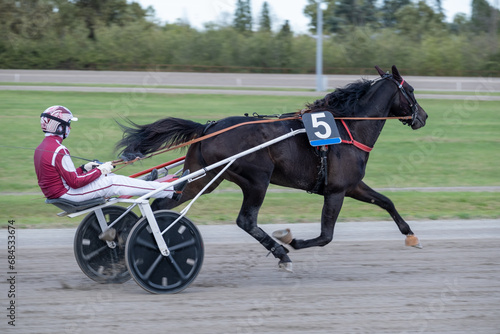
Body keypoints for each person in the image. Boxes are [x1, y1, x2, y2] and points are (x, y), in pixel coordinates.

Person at [34, 105, 187, 202]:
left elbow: (66, 176)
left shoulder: (42, 147)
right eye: (68, 124)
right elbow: (74, 182)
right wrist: (99, 170)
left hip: (60, 193)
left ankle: (147, 185)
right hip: (68, 194)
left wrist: (85, 168)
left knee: (110, 178)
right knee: (113, 182)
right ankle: (170, 191)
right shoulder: (59, 150)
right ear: (59, 127)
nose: (70, 128)